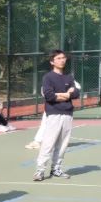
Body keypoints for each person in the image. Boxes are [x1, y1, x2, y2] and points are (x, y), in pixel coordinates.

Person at [33, 51, 77, 181]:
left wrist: (62, 94)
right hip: (53, 114)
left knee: (62, 145)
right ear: (52, 61)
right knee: (48, 143)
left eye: (63, 58)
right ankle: (40, 170)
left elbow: (76, 93)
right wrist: (67, 94)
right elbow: (49, 96)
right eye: (58, 58)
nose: (62, 60)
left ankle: (56, 169)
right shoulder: (48, 77)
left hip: (67, 114)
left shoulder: (69, 77)